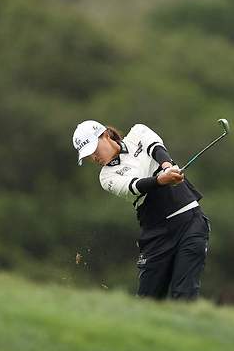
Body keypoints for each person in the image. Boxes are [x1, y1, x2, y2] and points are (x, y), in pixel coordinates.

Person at [72, 120, 211, 300]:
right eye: (89, 156)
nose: (94, 158)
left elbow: (157, 149)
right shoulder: (106, 177)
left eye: (94, 150)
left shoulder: (137, 132)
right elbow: (135, 186)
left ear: (105, 135)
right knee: (147, 299)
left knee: (184, 294)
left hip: (191, 222)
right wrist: (162, 179)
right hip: (157, 235)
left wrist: (168, 168)